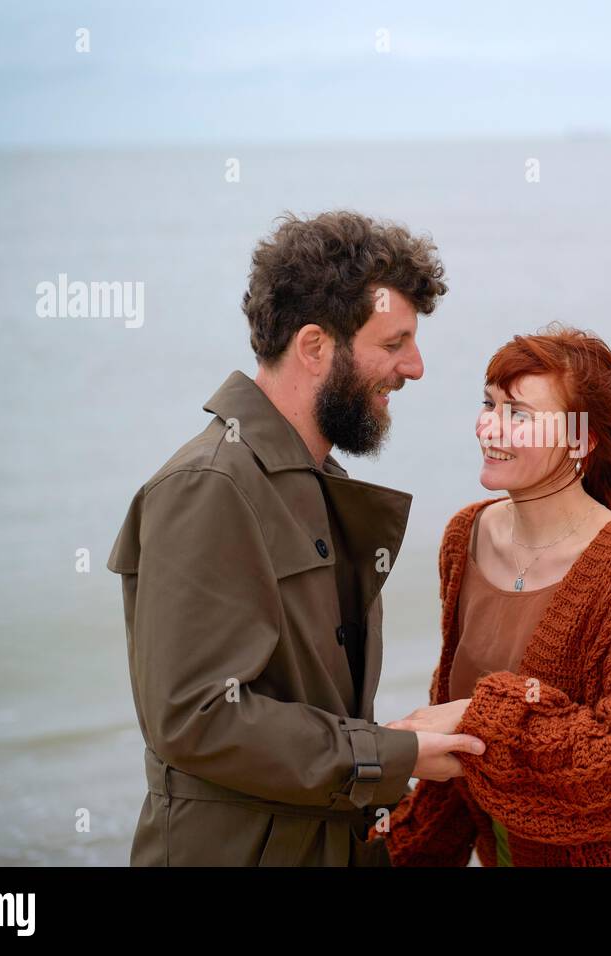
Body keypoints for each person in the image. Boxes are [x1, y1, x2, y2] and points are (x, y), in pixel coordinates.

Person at [105, 210, 484, 866]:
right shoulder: (209, 486)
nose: (415, 367)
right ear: (314, 347)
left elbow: (296, 705)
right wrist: (394, 756)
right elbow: (197, 717)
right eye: (393, 343)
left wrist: (402, 743)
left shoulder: (317, 482)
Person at [381, 324, 611, 866]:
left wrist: (474, 720)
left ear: (581, 440)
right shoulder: (466, 536)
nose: (491, 428)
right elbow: (463, 753)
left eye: (519, 415)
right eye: (489, 405)